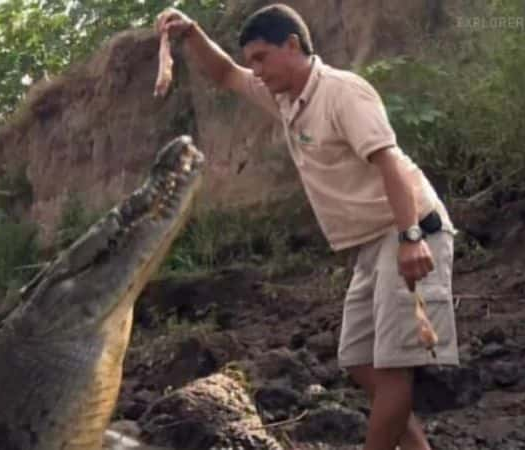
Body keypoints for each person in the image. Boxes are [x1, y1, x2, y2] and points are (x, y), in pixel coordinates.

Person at [155, 4, 459, 450]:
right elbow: (225, 75)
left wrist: (411, 237)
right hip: (368, 248)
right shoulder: (285, 99)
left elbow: (390, 162)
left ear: (292, 46)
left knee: (394, 371)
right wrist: (191, 33)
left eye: (261, 57)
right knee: (358, 359)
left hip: (408, 233)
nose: (255, 70)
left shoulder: (341, 92)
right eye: (252, 60)